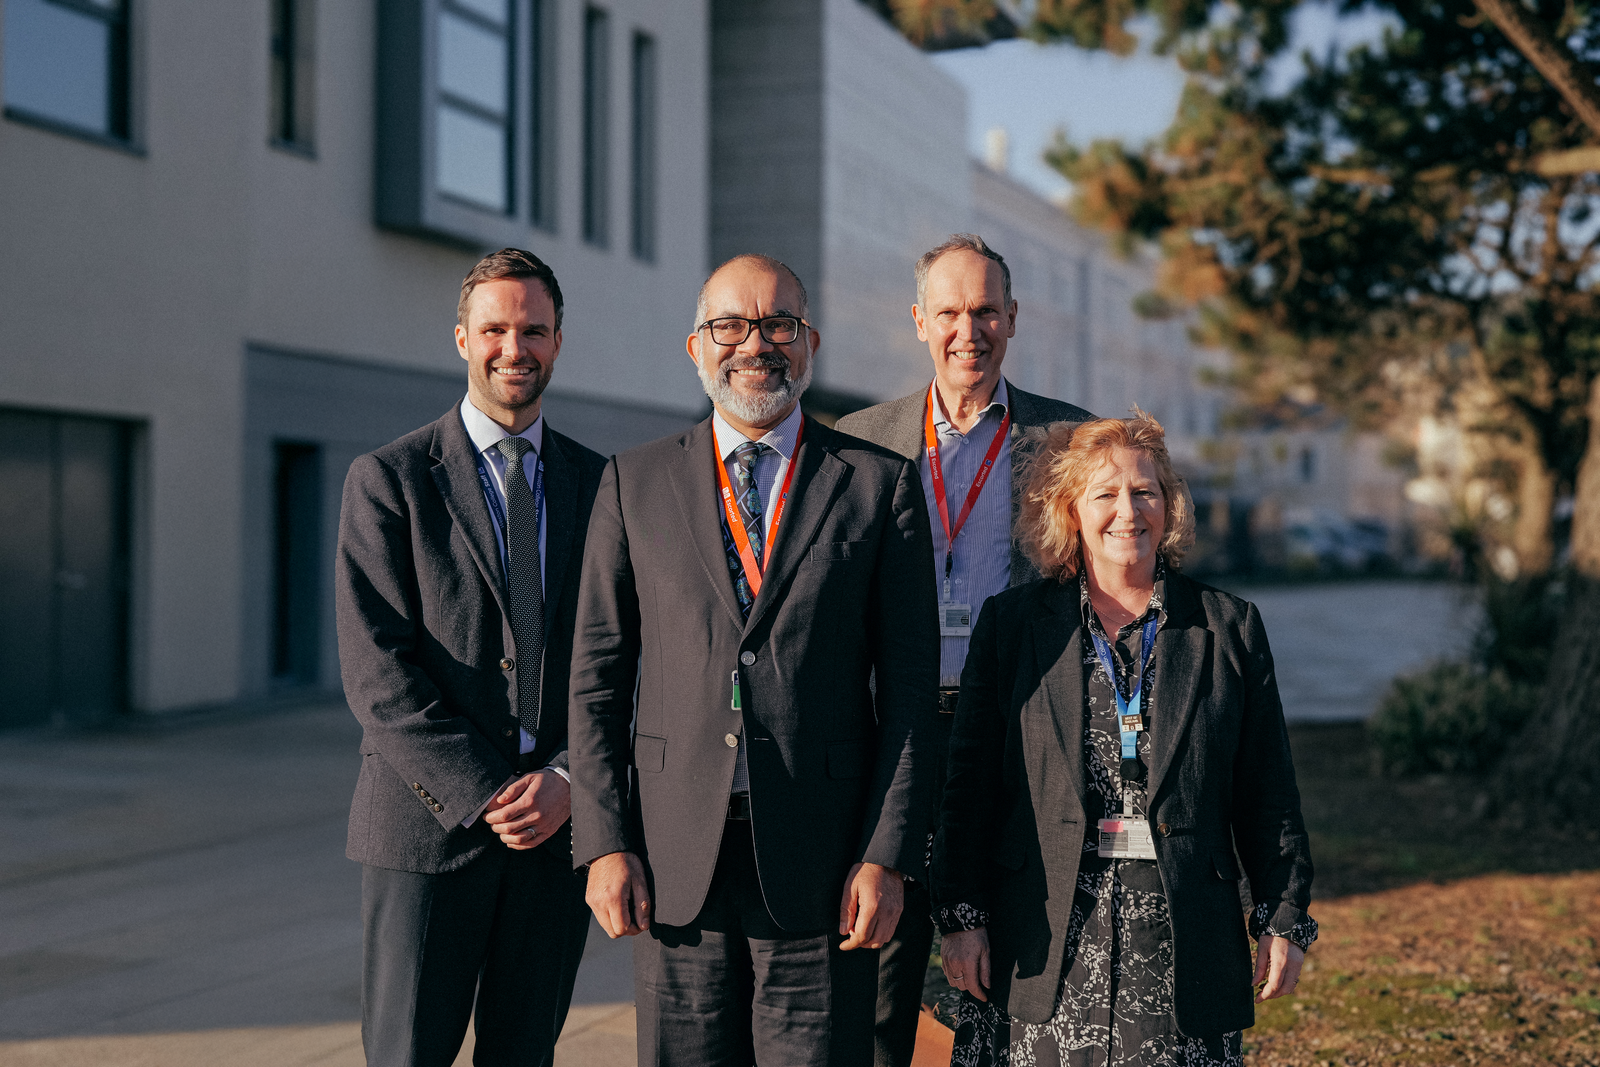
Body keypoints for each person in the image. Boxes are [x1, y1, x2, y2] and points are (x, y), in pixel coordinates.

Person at [568, 253, 940, 1067]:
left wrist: (887, 853)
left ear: (809, 341)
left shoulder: (878, 485)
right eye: (730, 325)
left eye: (777, 324)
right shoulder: (633, 481)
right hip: (673, 866)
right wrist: (601, 841)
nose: (754, 343)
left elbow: (909, 691)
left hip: (825, 865)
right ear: (695, 347)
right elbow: (597, 678)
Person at [931, 412, 1318, 1066]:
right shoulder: (1014, 627)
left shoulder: (1228, 627)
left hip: (1182, 939)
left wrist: (1283, 916)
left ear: (1169, 507)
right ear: (1070, 509)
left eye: (1145, 491)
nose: (1127, 510)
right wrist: (961, 915)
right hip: (1044, 936)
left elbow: (1268, 792)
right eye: (1104, 493)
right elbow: (968, 786)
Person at [335, 248, 607, 1066]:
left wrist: (567, 779)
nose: (513, 347)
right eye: (494, 329)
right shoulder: (388, 480)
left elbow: (619, 660)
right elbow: (379, 677)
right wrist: (489, 790)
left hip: (556, 839)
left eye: (533, 329)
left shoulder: (603, 486)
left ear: (559, 341)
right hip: (427, 836)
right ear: (462, 338)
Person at [836, 232, 1094, 1067]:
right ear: (919, 320)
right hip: (898, 735)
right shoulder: (859, 440)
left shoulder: (1070, 441)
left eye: (985, 310)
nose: (968, 329)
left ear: (1012, 319)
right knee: (881, 977)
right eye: (949, 311)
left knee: (1011, 969)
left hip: (1018, 734)